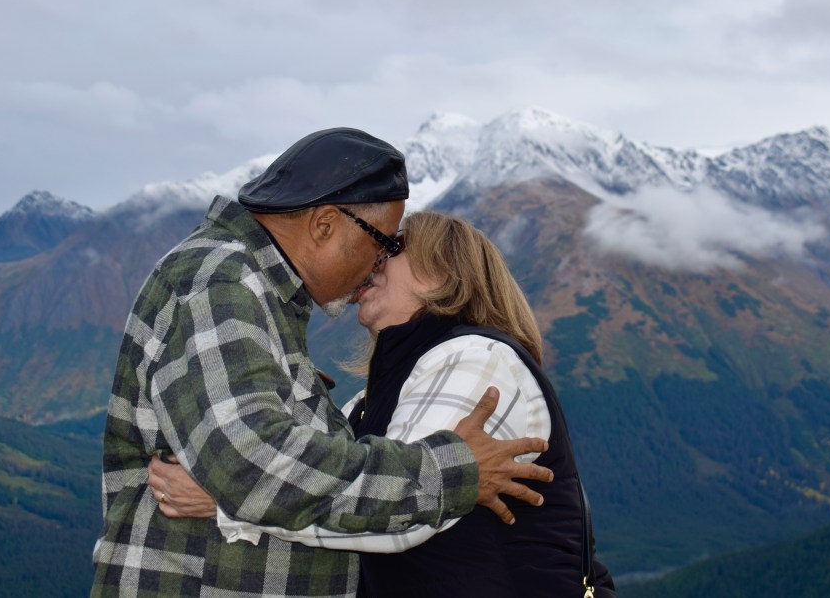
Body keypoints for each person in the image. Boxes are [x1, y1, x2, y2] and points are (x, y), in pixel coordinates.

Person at [91, 128, 553, 598]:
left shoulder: (253, 291)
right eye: (382, 242)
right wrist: (452, 473)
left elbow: (251, 472)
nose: (378, 263)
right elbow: (251, 467)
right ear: (326, 225)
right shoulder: (222, 283)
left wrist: (225, 499)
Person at [149, 210, 618, 597]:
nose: (372, 259)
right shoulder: (374, 397)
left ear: (443, 271)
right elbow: (315, 473)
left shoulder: (477, 361)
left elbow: (401, 519)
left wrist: (229, 498)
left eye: (392, 248)